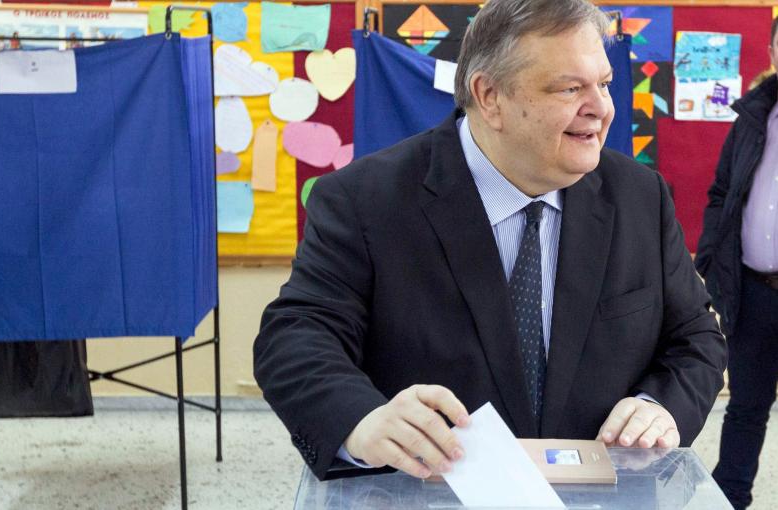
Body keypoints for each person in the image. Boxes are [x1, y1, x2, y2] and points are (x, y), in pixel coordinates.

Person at [255, 0, 727, 481]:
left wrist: (661, 407)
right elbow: (295, 336)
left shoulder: (640, 197)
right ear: (489, 96)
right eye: (570, 88)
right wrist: (360, 419)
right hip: (429, 492)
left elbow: (695, 338)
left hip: (601, 493)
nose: (601, 108)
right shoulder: (364, 200)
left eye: (603, 84)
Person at [695, 16, 778, 510]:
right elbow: (721, 192)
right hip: (754, 291)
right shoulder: (753, 117)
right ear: (771, 50)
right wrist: (710, 258)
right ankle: (730, 499)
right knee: (746, 406)